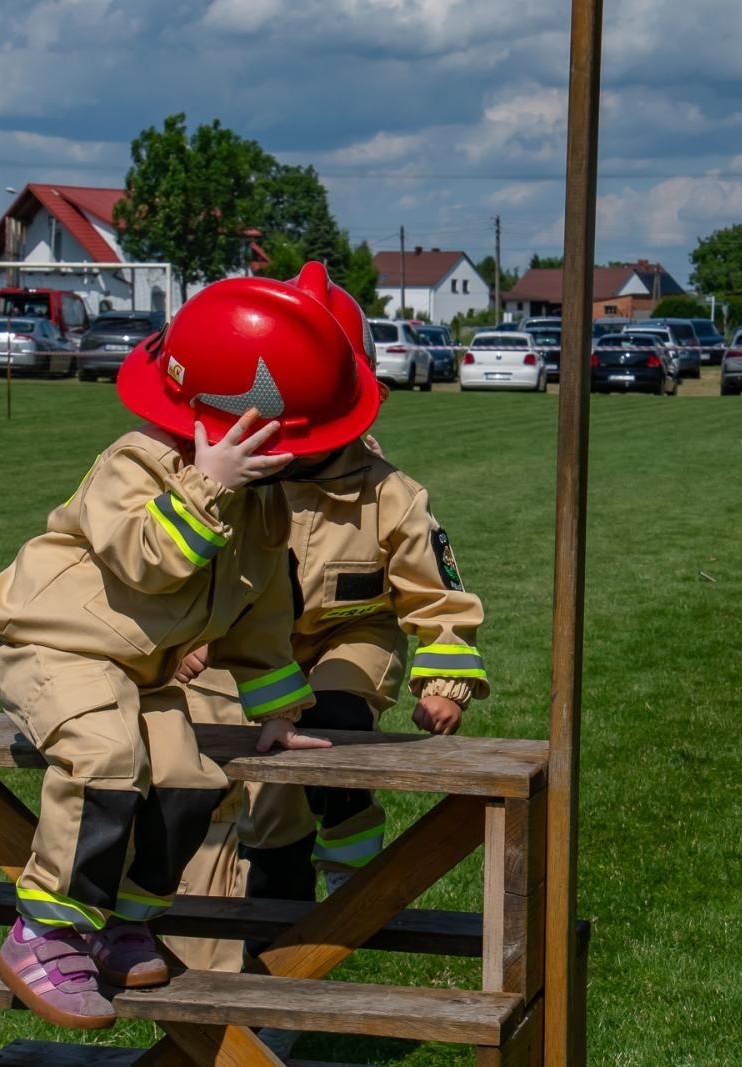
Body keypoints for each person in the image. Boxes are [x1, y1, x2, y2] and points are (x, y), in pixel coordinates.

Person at [0, 273, 383, 1029]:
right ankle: (46, 930)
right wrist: (206, 485)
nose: (300, 461)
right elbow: (145, 557)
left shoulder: (257, 503)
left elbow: (259, 617)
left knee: (191, 774)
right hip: (56, 649)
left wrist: (279, 711)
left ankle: (123, 917)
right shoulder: (134, 462)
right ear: (234, 418)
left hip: (138, 669)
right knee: (104, 758)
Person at [175, 265, 490, 930]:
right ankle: (265, 938)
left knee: (332, 724)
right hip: (241, 654)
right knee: (208, 780)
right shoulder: (229, 479)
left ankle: (350, 863)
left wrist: (444, 681)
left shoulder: (389, 495)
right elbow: (176, 565)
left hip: (349, 640)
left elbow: (440, 601)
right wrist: (183, 637)